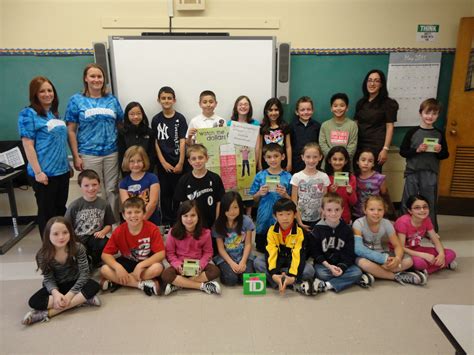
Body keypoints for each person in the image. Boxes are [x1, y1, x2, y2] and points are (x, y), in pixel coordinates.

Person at [65, 63, 123, 220]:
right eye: (93, 76)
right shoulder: (76, 100)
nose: (96, 79)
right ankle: (96, 225)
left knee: (112, 189)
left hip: (112, 152)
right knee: (93, 190)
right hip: (88, 153)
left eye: (99, 76)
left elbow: (120, 124)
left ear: (104, 79)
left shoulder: (112, 100)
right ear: (86, 78)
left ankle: (112, 225)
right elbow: (71, 130)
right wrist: (76, 156)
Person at [22, 217, 100, 325]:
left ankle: (47, 313)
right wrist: (56, 294)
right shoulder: (43, 255)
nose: (61, 237)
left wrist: (69, 295)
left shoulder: (78, 248)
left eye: (65, 232)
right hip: (58, 286)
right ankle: (82, 300)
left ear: (70, 233)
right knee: (34, 301)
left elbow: (84, 274)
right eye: (55, 234)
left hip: (75, 282)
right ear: (48, 235)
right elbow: (48, 279)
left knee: (94, 285)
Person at [18, 76, 71, 238]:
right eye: (42, 91)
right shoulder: (28, 114)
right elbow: (28, 145)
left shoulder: (54, 114)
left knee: (60, 211)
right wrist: (38, 172)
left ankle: (60, 245)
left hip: (62, 171)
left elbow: (59, 143)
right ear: (35, 94)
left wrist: (67, 165)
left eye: (50, 90)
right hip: (44, 174)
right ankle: (49, 251)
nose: (47, 94)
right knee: (47, 214)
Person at [399, 98, 449, 232]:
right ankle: (404, 228)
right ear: (421, 113)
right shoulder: (412, 132)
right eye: (427, 113)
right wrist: (417, 150)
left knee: (429, 201)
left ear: (438, 115)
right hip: (412, 171)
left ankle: (430, 229)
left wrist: (439, 151)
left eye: (434, 113)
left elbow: (445, 154)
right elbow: (403, 152)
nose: (430, 116)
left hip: (430, 172)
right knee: (408, 200)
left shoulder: (439, 134)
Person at [100, 197, 165, 296]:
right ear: (124, 215)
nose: (133, 215)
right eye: (129, 212)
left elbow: (161, 254)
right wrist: (118, 267)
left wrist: (141, 265)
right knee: (104, 270)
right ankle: (140, 284)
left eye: (137, 212)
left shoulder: (152, 228)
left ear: (143, 213)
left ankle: (118, 281)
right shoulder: (119, 231)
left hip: (146, 261)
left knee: (157, 268)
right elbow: (105, 255)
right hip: (127, 261)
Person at [353, 196, 424, 286]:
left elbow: (397, 245)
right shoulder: (358, 223)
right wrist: (383, 259)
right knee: (363, 263)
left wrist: (397, 259)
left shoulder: (386, 223)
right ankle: (395, 276)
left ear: (384, 211)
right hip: (367, 257)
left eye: (380, 210)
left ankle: (376, 272)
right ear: (365, 210)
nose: (376, 213)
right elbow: (359, 249)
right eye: (372, 209)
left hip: (383, 254)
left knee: (409, 261)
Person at [253, 198, 315, 295]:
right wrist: (274, 273)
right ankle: (281, 280)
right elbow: (271, 253)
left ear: (294, 215)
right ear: (275, 216)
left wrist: (292, 275)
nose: (285, 218)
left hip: (292, 261)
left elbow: (298, 255)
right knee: (258, 262)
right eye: (281, 214)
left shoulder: (300, 232)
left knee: (309, 270)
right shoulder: (271, 231)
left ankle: (286, 280)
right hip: (278, 260)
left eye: (288, 214)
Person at [162, 200, 221, 295]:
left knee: (215, 271)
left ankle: (179, 283)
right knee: (166, 275)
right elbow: (170, 253)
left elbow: (208, 253)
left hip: (197, 265)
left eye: (193, 215)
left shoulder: (205, 233)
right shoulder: (173, 232)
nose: (189, 219)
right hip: (180, 265)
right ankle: (202, 286)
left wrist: (201, 265)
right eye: (185, 216)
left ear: (198, 217)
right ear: (180, 217)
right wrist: (177, 265)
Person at [308, 193, 362, 293]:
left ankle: (328, 285)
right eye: (329, 210)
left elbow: (349, 253)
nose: (333, 213)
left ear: (342, 210)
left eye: (337, 210)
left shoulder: (347, 229)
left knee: (357, 272)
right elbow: (315, 253)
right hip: (324, 265)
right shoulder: (317, 229)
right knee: (321, 274)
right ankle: (346, 280)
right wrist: (329, 266)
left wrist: (342, 267)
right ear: (322, 211)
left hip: (342, 264)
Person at [151, 86, 188, 226]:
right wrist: (163, 162)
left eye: (169, 98)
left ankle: (178, 221)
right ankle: (167, 221)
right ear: (159, 100)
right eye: (163, 98)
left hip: (178, 162)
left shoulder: (180, 118)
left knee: (178, 193)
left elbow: (183, 141)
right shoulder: (156, 119)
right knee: (165, 194)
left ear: (174, 100)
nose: (166, 101)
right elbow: (155, 143)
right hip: (163, 165)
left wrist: (180, 162)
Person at [64, 169, 115, 268]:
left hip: (95, 238)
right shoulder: (74, 205)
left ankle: (95, 261)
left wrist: (103, 232)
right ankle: (86, 259)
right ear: (80, 186)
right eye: (86, 185)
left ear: (99, 184)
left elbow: (109, 225)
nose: (91, 188)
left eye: (94, 184)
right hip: (78, 239)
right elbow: (66, 226)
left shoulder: (104, 204)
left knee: (105, 242)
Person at [395, 194, 457, 275]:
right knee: (420, 263)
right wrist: (424, 255)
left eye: (425, 207)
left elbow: (435, 240)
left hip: (416, 248)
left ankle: (425, 270)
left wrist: (441, 254)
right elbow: (401, 247)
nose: (422, 210)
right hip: (401, 251)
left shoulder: (427, 220)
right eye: (417, 208)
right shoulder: (402, 222)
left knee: (451, 253)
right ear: (410, 211)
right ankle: (441, 265)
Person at [249, 143, 292, 253]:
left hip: (282, 219)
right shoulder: (260, 176)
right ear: (264, 158)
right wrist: (259, 193)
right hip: (264, 217)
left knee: (280, 249)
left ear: (283, 157)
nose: (272, 159)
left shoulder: (288, 177)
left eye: (276, 156)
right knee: (262, 249)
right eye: (269, 157)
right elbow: (253, 199)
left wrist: (285, 195)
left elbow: (293, 201)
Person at [354, 69, 399, 172]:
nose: (372, 83)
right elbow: (355, 124)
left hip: (376, 146)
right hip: (359, 145)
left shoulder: (388, 104)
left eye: (376, 81)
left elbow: (390, 127)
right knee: (358, 176)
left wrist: (385, 149)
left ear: (381, 84)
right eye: (369, 80)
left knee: (373, 178)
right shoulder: (361, 103)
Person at [174, 144, 225, 229]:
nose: (197, 161)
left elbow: (219, 202)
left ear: (206, 158)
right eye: (194, 159)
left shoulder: (215, 178)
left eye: (200, 157)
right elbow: (181, 204)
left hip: (211, 223)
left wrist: (217, 221)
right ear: (189, 161)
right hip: (192, 225)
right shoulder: (184, 180)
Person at [213, 191, 255, 286]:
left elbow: (248, 244)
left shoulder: (246, 221)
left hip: (242, 255)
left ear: (240, 207)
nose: (232, 211)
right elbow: (221, 249)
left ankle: (240, 271)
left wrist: (243, 262)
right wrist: (232, 263)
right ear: (223, 208)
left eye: (235, 207)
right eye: (229, 208)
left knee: (247, 279)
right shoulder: (218, 224)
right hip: (226, 257)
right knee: (231, 280)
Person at [290, 142, 330, 232]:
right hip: (301, 218)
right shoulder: (297, 176)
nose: (311, 160)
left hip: (319, 219)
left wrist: (323, 218)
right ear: (302, 157)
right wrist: (299, 221)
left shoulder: (324, 177)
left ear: (320, 157)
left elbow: (325, 199)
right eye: (308, 157)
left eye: (315, 157)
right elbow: (294, 200)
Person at [119, 146, 160, 226]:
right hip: (133, 222)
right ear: (127, 162)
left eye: (139, 161)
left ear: (144, 161)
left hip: (151, 221)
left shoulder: (152, 178)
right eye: (132, 161)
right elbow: (126, 205)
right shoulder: (123, 183)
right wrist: (135, 221)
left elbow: (153, 202)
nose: (136, 164)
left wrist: (141, 220)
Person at [353, 148, 395, 220]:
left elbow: (385, 196)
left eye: (370, 161)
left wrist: (389, 214)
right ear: (357, 161)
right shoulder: (354, 177)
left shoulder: (379, 178)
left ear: (373, 164)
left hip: (374, 214)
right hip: (358, 214)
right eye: (363, 160)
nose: (366, 163)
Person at [319, 93, 358, 169]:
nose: (338, 108)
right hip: (327, 165)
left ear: (347, 108)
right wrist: (332, 159)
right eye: (335, 106)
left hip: (346, 166)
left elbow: (352, 146)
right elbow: (322, 144)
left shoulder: (352, 125)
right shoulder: (325, 125)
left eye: (342, 105)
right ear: (331, 108)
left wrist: (342, 159)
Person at [118, 101, 155, 174]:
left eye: (138, 113)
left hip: (146, 172)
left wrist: (148, 172)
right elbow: (121, 156)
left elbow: (152, 155)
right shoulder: (122, 133)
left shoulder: (149, 132)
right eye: (132, 114)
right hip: (129, 173)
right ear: (127, 116)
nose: (136, 117)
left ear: (143, 114)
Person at [257, 98, 292, 172]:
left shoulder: (285, 126)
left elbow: (288, 146)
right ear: (266, 111)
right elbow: (260, 147)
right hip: (266, 163)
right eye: (270, 110)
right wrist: (259, 163)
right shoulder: (262, 128)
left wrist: (289, 163)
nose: (273, 113)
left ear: (280, 111)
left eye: (276, 110)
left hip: (282, 163)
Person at [325, 146, 357, 224]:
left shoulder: (351, 178)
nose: (337, 162)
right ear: (329, 160)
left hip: (345, 217)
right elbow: (323, 201)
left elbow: (354, 202)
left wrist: (350, 193)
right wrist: (331, 192)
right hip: (328, 217)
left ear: (345, 161)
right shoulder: (325, 177)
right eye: (335, 159)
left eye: (341, 159)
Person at [288, 96, 321, 174]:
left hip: (313, 163)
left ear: (312, 111)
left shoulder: (317, 126)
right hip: (296, 163)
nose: (306, 112)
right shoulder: (291, 126)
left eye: (308, 109)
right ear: (297, 112)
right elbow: (289, 145)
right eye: (302, 110)